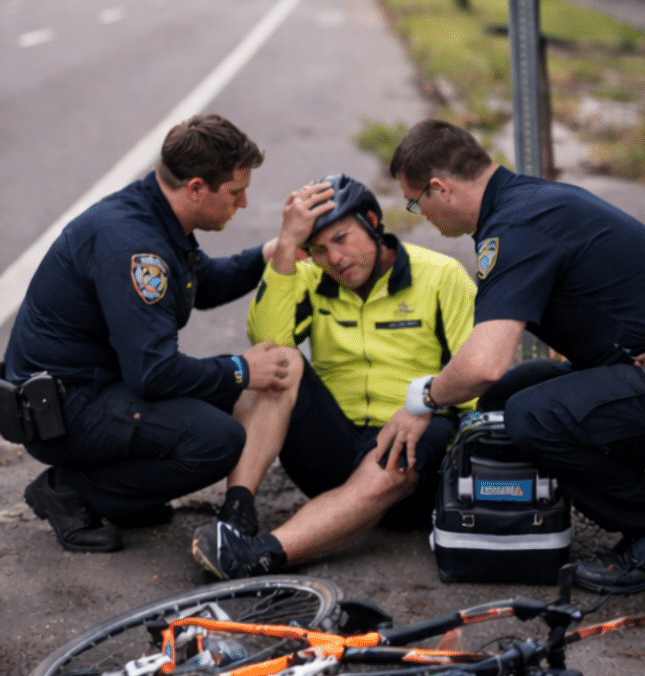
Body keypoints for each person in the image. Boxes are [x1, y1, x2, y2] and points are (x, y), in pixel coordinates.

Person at [387, 119, 645, 595]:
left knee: (532, 416)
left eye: (416, 203)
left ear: (440, 188)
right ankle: (510, 518)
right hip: (641, 367)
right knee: (516, 388)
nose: (421, 214)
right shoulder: (527, 200)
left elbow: (481, 363)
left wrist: (423, 398)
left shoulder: (515, 227)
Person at [3, 114, 299, 553]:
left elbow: (201, 284)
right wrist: (241, 368)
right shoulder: (134, 245)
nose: (244, 205)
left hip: (91, 387)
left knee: (224, 394)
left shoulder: (155, 212)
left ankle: (123, 494)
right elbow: (153, 374)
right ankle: (71, 490)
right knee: (219, 440)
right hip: (62, 411)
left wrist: (268, 253)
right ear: (196, 188)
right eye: (236, 193)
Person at [191, 173, 476, 579]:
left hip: (412, 445)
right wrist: (287, 247)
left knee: (398, 448)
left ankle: (263, 553)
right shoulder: (308, 276)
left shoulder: (441, 276)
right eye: (319, 250)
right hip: (333, 447)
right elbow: (268, 342)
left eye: (342, 239)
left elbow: (478, 374)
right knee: (280, 360)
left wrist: (426, 404)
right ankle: (236, 514)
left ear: (374, 223)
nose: (335, 259)